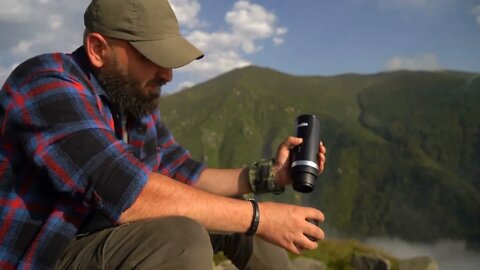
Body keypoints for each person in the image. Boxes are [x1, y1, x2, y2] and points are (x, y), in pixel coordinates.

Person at [0, 0, 327, 269]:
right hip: (46, 254)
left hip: (103, 234)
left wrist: (270, 175)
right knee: (180, 236)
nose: (168, 74)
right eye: (152, 57)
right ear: (98, 49)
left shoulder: (132, 100)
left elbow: (185, 176)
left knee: (233, 211)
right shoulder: (45, 84)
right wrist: (260, 218)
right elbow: (128, 193)